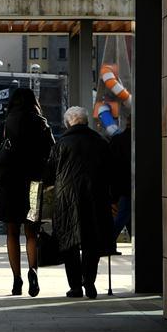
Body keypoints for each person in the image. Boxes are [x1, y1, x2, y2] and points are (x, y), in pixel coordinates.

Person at [0, 88, 55, 297]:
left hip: (8, 186)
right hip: (33, 184)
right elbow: (52, 152)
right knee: (31, 231)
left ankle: (17, 280)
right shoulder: (41, 123)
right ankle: (33, 271)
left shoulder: (5, 125)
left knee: (12, 232)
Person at [44, 106, 116, 299]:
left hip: (67, 200)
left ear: (69, 123)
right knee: (92, 242)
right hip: (96, 198)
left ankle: (75, 286)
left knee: (70, 242)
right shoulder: (101, 143)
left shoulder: (61, 144)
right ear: (86, 122)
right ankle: (90, 284)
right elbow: (111, 171)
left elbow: (49, 173)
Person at [109, 119, 131, 242]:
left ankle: (108, 242)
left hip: (122, 187)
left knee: (122, 216)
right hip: (131, 186)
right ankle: (108, 242)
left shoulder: (117, 141)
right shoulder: (140, 141)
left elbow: (112, 167)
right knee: (123, 217)